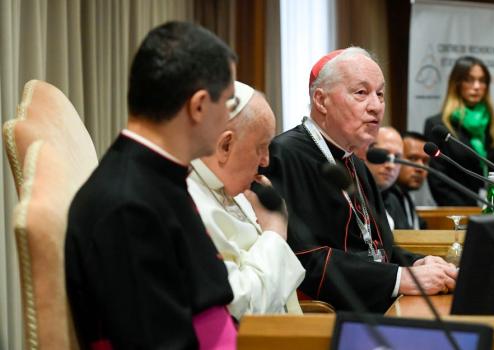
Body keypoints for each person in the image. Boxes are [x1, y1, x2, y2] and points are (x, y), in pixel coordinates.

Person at [65, 22, 239, 349]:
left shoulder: (158, 178)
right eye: (228, 103)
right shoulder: (126, 207)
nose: (229, 119)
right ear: (199, 105)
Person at [261, 47, 457, 313]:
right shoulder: (285, 155)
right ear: (321, 101)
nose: (376, 106)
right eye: (361, 93)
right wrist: (402, 278)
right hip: (327, 321)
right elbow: (304, 261)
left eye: (380, 94)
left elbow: (376, 249)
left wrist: (418, 264)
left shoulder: (355, 163)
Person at [187, 81, 305, 320]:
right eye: (261, 147)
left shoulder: (237, 188)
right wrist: (273, 232)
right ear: (225, 145)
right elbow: (242, 309)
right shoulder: (190, 201)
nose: (266, 161)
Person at [424, 56, 494, 206]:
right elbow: (438, 180)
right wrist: (470, 210)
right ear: (457, 84)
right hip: (459, 212)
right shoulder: (438, 126)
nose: (477, 86)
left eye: (482, 80)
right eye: (469, 80)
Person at [355, 126, 407, 230]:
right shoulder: (350, 195)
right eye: (383, 155)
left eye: (396, 158)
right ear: (363, 152)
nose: (391, 165)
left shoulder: (394, 200)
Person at [393, 131, 431, 229]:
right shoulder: (386, 199)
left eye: (425, 161)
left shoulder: (405, 197)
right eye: (413, 158)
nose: (421, 168)